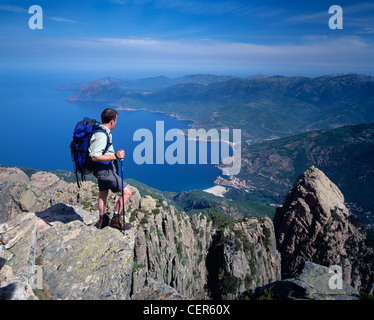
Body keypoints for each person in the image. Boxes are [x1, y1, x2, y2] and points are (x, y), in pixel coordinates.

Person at [89, 108, 133, 230]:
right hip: (105, 171)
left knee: (103, 193)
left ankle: (102, 220)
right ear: (112, 121)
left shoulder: (100, 130)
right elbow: (94, 156)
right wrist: (115, 156)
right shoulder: (101, 135)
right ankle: (115, 219)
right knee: (127, 192)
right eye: (116, 120)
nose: (116, 123)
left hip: (101, 170)